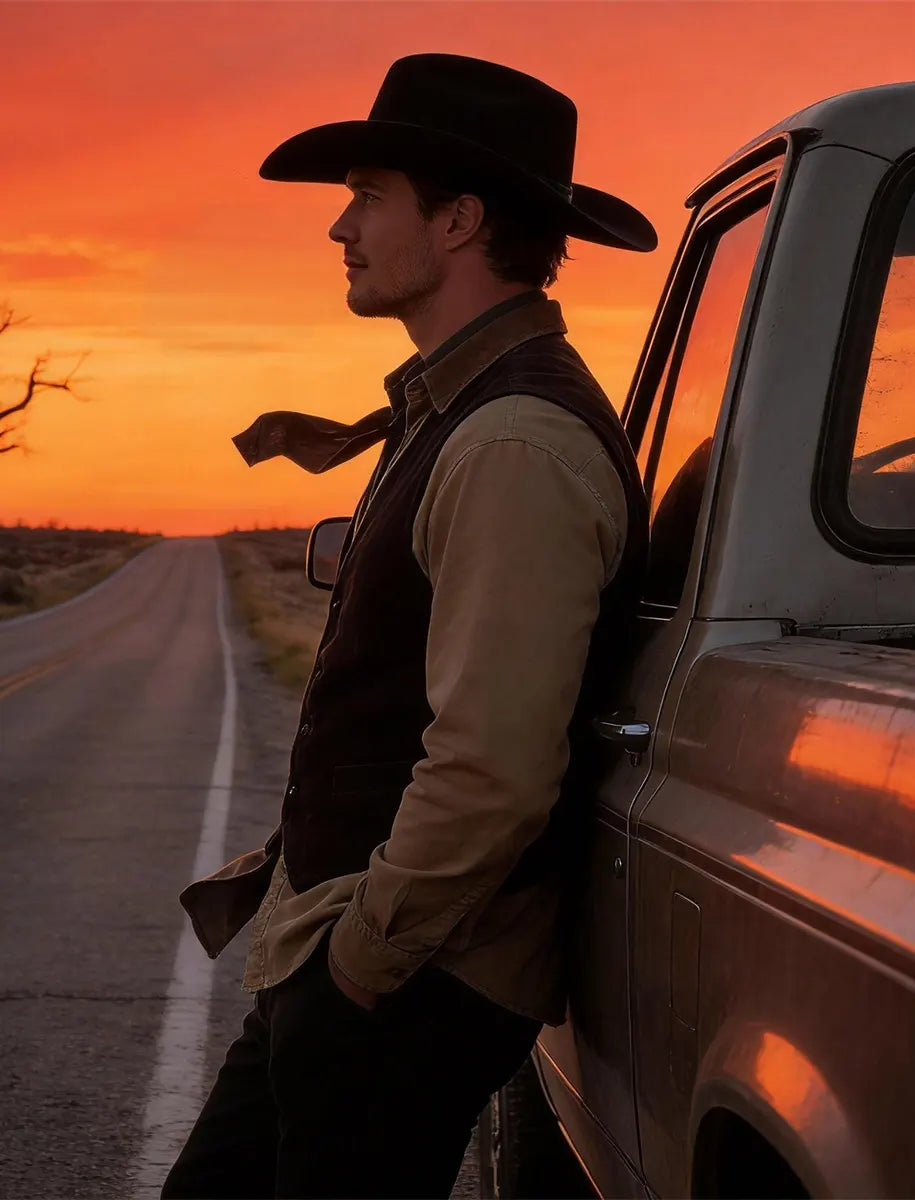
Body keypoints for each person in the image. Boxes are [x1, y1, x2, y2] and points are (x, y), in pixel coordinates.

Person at [162, 52, 656, 1199]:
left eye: (369, 194)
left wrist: (355, 969)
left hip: (404, 974)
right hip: (363, 958)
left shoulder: (513, 444)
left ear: (461, 220)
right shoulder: (465, 413)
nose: (340, 225)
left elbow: (489, 769)